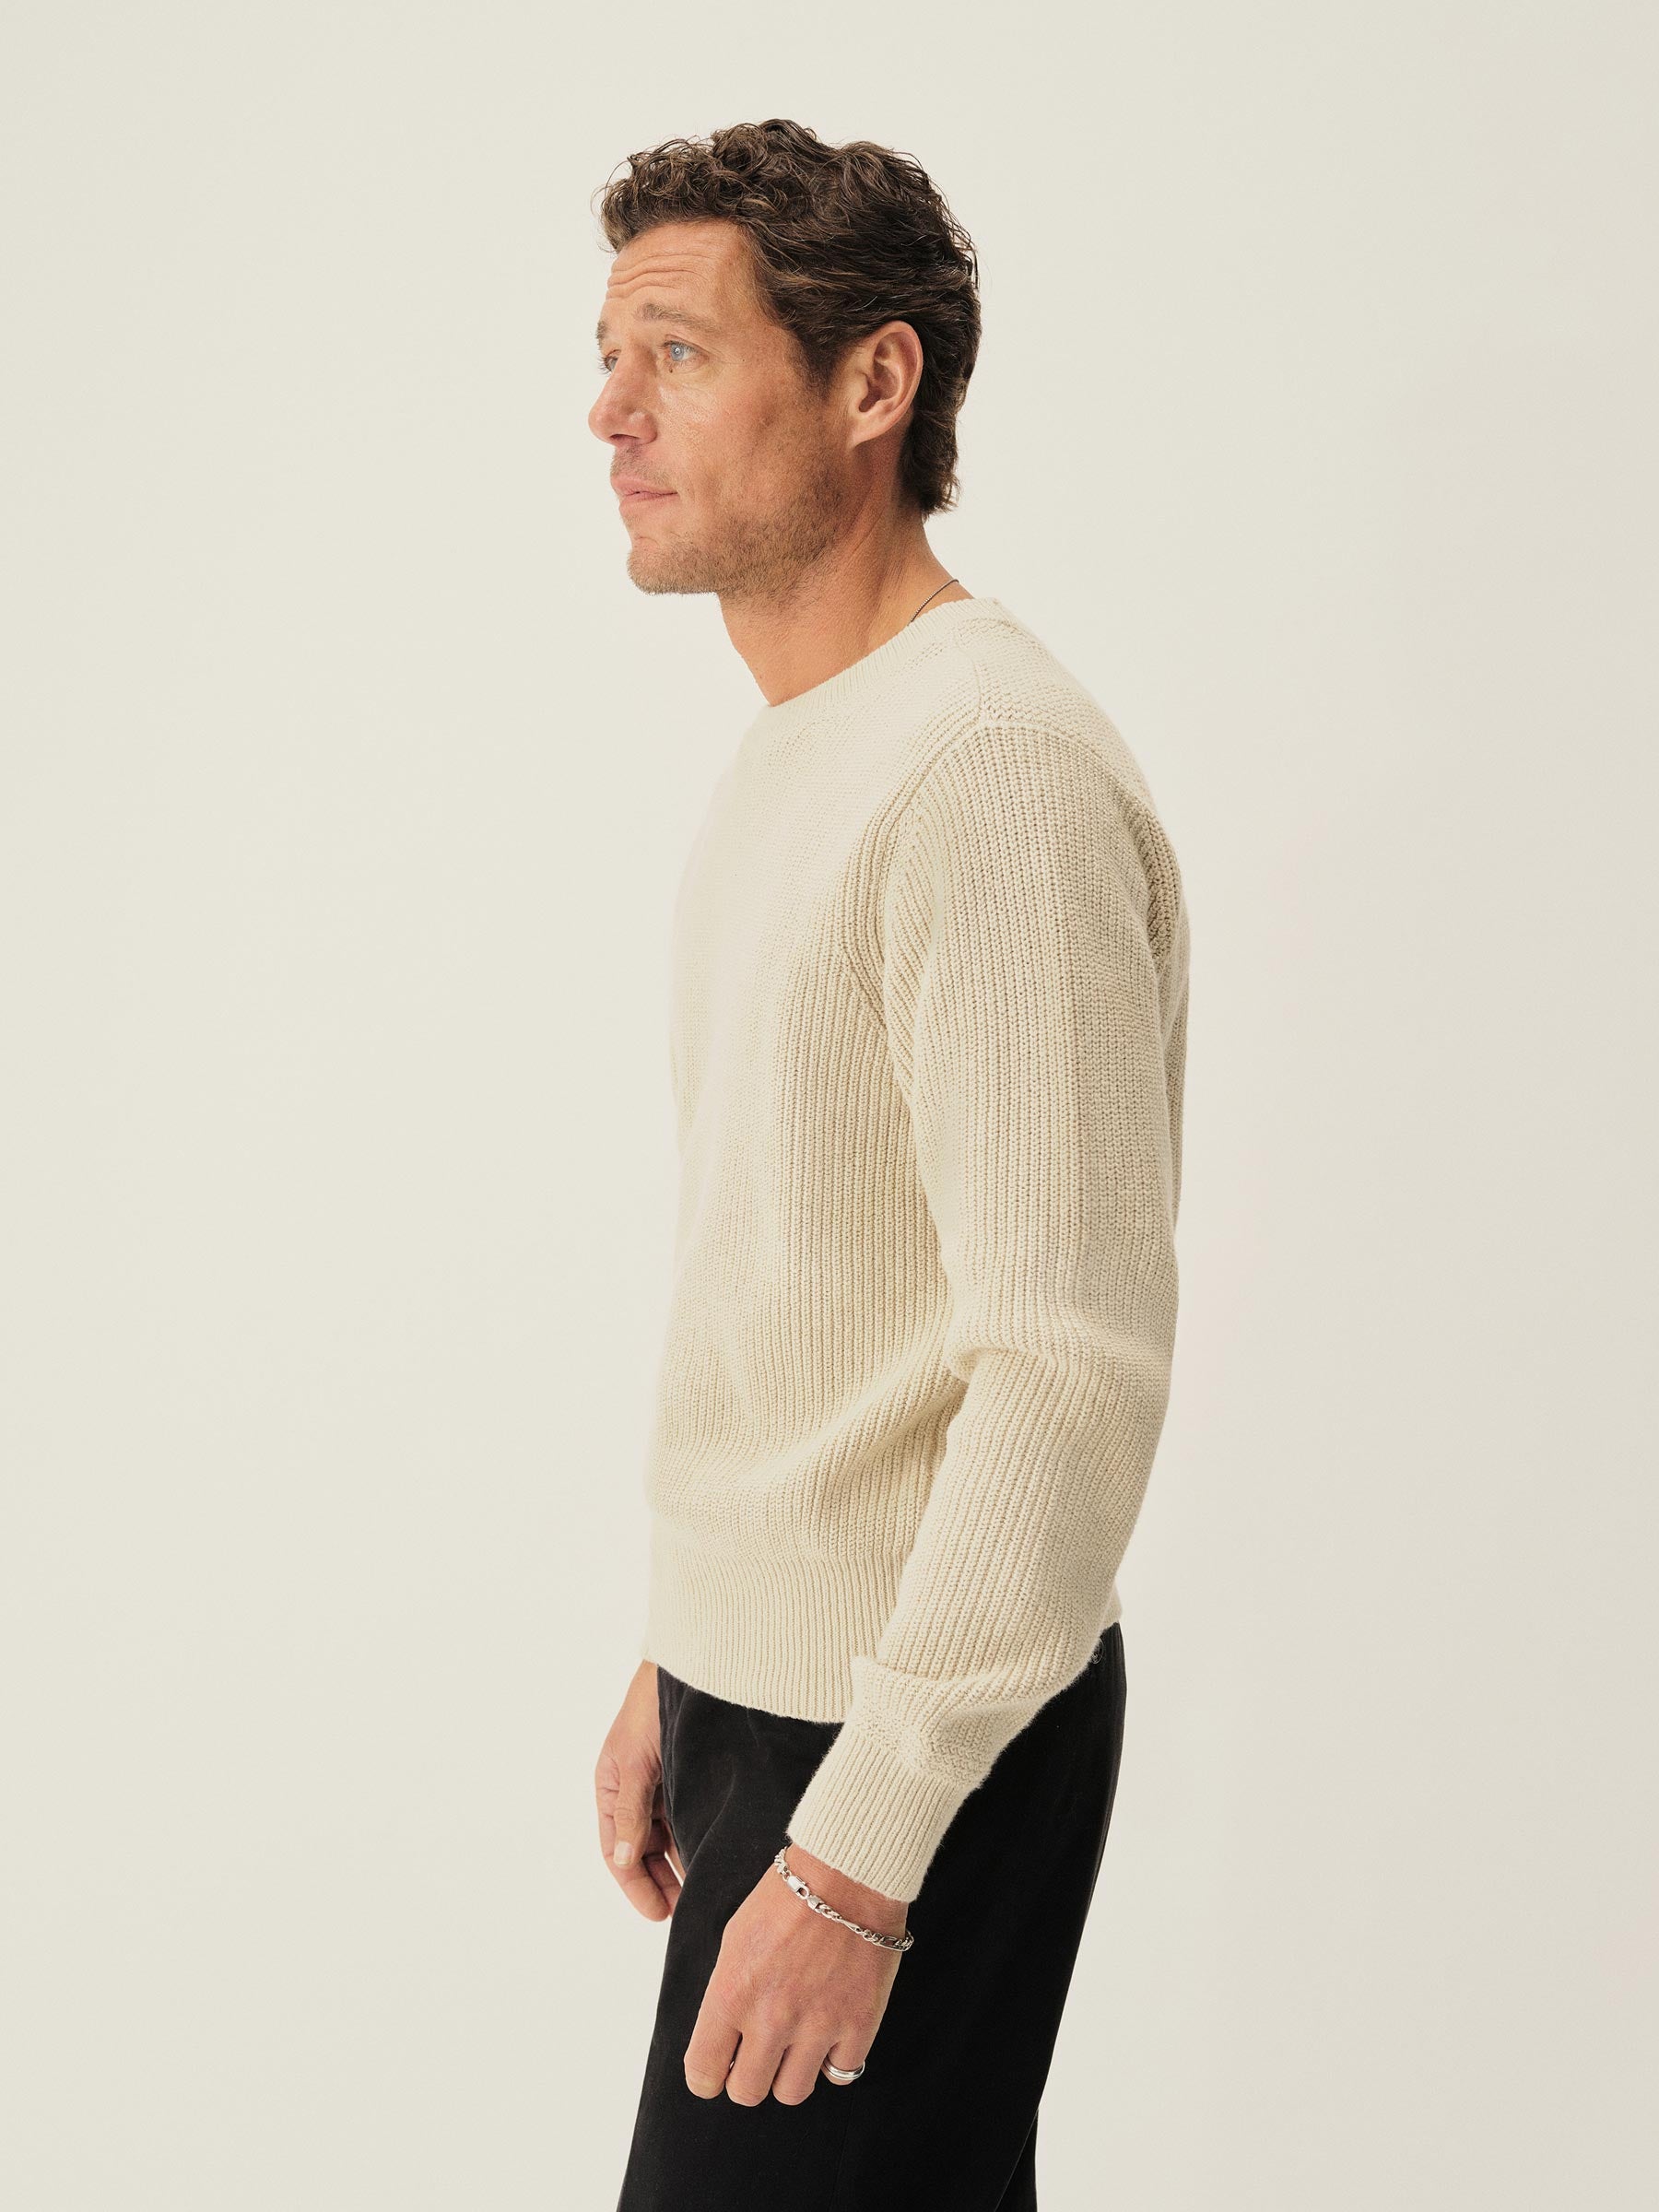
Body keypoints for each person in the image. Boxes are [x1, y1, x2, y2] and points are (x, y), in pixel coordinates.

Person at [589, 120, 1190, 2211]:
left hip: (914, 1749)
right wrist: (692, 1651)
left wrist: (859, 1846)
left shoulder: (984, 773)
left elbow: (1065, 1366)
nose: (610, 412)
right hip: (784, 1711)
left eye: (676, 353)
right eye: (608, 358)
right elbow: (825, 1282)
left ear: (873, 382)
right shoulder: (814, 750)